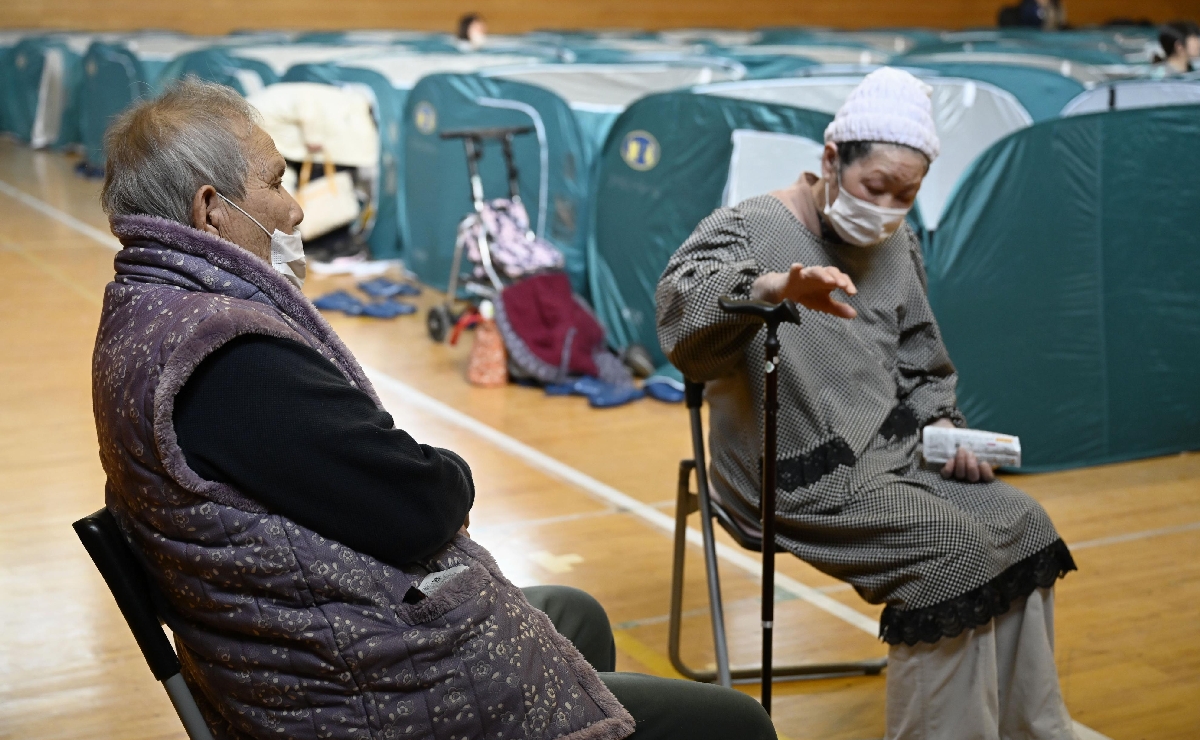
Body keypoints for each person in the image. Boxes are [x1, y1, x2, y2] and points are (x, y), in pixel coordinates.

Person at [92, 78, 774, 740]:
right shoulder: (227, 357)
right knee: (735, 724)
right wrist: (453, 475)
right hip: (345, 694)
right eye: (274, 182)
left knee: (579, 614)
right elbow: (417, 504)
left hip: (290, 655)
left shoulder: (147, 311)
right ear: (211, 209)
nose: (296, 208)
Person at [657, 68, 1078, 740]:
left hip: (894, 457)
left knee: (1023, 521)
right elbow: (680, 314)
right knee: (951, 551)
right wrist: (771, 288)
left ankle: (1032, 726)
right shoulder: (748, 227)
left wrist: (944, 426)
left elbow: (919, 353)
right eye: (873, 187)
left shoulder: (895, 241)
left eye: (904, 194)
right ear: (830, 159)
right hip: (789, 475)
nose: (885, 207)